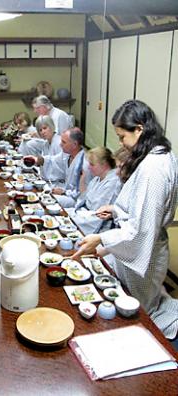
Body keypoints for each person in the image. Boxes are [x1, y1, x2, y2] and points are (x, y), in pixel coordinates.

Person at [72, 100, 178, 340]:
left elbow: (140, 230)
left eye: (122, 137)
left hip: (147, 249)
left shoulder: (153, 168)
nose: (121, 144)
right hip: (149, 242)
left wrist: (101, 238)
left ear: (139, 129)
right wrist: (117, 210)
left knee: (139, 311)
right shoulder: (162, 153)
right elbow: (143, 210)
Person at [65, 147, 121, 234]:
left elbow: (99, 214)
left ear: (104, 165)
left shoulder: (112, 182)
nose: (89, 168)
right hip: (85, 215)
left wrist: (74, 217)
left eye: (92, 164)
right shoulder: (97, 178)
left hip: (96, 224)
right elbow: (84, 198)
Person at [34, 127, 91, 206]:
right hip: (66, 191)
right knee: (39, 193)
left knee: (47, 200)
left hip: (76, 200)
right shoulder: (67, 154)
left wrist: (64, 192)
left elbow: (82, 191)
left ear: (74, 144)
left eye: (64, 142)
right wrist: (40, 160)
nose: (60, 145)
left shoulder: (84, 163)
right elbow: (54, 161)